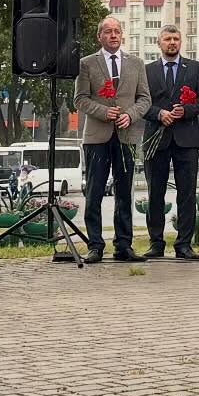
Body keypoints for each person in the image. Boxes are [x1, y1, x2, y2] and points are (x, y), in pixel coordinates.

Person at [76, 15, 150, 264]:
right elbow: (80, 99)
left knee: (124, 192)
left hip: (126, 136)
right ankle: (95, 245)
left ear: (122, 35)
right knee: (94, 192)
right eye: (108, 31)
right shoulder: (87, 64)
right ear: (99, 36)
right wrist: (103, 111)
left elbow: (145, 99)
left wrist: (131, 115)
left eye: (117, 31)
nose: (113, 35)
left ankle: (124, 245)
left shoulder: (136, 64)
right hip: (97, 137)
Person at [142, 25, 199, 261]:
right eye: (167, 39)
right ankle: (156, 243)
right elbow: (139, 102)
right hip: (156, 138)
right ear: (159, 43)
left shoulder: (194, 68)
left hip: (186, 139)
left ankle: (184, 245)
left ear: (181, 42)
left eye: (176, 39)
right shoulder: (147, 70)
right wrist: (158, 113)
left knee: (187, 194)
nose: (172, 42)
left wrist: (187, 111)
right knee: (155, 193)